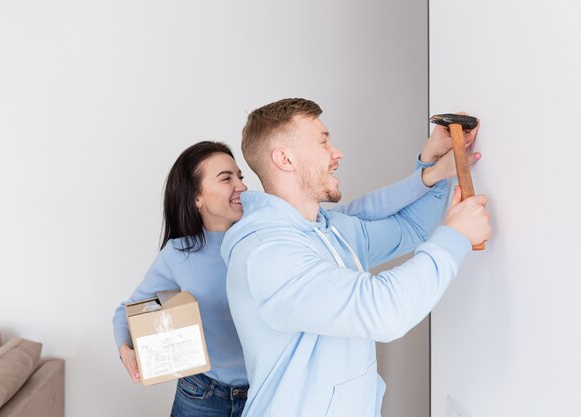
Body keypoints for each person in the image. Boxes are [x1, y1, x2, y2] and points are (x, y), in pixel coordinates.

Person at [112, 140, 451, 417]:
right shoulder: (179, 253)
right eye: (225, 178)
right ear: (196, 197)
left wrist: (426, 176)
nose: (241, 186)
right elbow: (130, 310)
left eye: (240, 175)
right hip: (202, 396)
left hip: (263, 392)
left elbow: (362, 211)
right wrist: (125, 347)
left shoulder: (272, 237)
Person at [221, 98, 491, 417]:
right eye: (323, 141)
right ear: (285, 159)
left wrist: (432, 168)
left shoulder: (328, 229)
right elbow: (382, 310)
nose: (337, 153)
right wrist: (455, 236)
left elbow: (410, 227)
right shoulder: (267, 253)